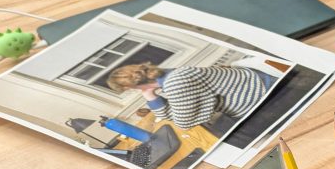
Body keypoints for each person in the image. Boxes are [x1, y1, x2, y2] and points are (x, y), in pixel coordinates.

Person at [107, 61, 275, 130]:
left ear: (130, 86)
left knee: (224, 133)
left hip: (263, 99)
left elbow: (183, 123)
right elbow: (172, 114)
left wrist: (151, 97)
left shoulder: (175, 82)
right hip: (259, 87)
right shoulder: (169, 75)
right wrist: (149, 95)